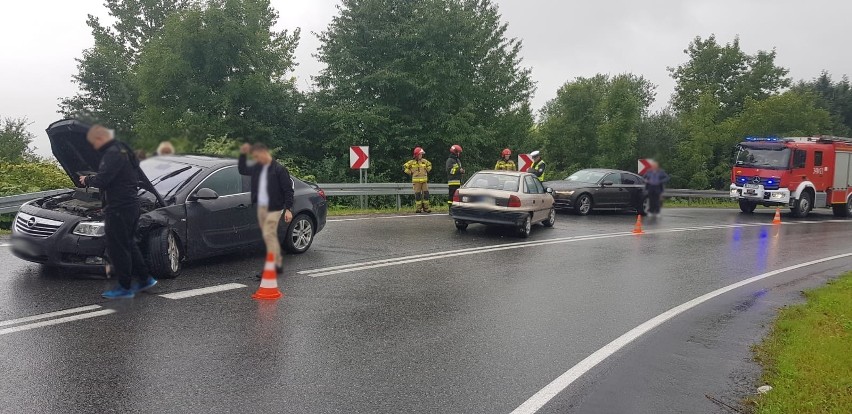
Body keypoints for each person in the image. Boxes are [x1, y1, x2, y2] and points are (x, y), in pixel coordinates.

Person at [79, 125, 156, 299]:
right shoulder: (123, 150)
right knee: (128, 243)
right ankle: (145, 279)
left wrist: (87, 179)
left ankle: (124, 288)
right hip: (131, 204)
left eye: (94, 141)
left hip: (119, 207)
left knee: (118, 248)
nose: (94, 146)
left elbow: (104, 179)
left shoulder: (113, 153)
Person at [238, 143, 295, 278]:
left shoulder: (279, 169)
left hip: (275, 208)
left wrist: (289, 209)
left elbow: (288, 191)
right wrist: (242, 154)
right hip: (262, 207)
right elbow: (243, 170)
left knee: (269, 235)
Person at [403, 147, 432, 213]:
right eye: (420, 154)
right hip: (416, 182)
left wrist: (428, 169)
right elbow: (404, 167)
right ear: (416, 155)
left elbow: (430, 165)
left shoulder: (424, 161)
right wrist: (410, 172)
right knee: (418, 195)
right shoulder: (411, 162)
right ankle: (418, 209)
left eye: (421, 154)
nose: (421, 156)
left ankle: (426, 208)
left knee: (426, 194)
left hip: (424, 181)